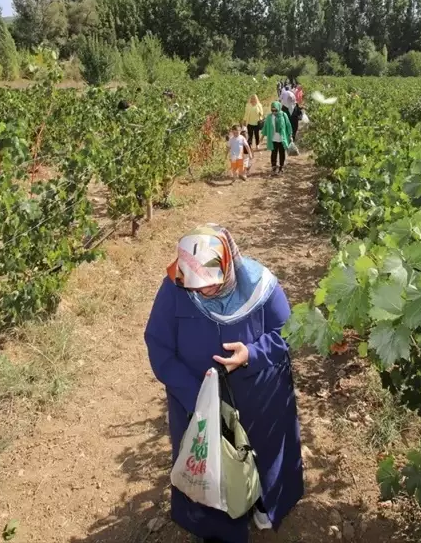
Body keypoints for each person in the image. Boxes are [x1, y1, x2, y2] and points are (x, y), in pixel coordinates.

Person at [144, 225, 304, 543]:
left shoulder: (261, 286)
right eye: (196, 285)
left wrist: (252, 354)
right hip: (197, 404)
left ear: (228, 264)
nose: (202, 291)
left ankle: (263, 505)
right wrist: (197, 399)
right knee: (211, 467)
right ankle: (217, 530)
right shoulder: (175, 287)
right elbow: (158, 345)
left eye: (210, 283)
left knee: (261, 455)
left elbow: (289, 331)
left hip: (259, 399)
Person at [262, 102, 292, 177]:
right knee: (274, 153)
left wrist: (290, 135)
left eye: (275, 110)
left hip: (282, 138)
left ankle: (281, 167)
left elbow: (288, 125)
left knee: (282, 153)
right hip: (273, 139)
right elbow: (265, 127)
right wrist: (261, 138)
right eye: (272, 110)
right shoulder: (269, 117)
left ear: (279, 108)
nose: (274, 112)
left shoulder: (283, 115)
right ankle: (274, 167)